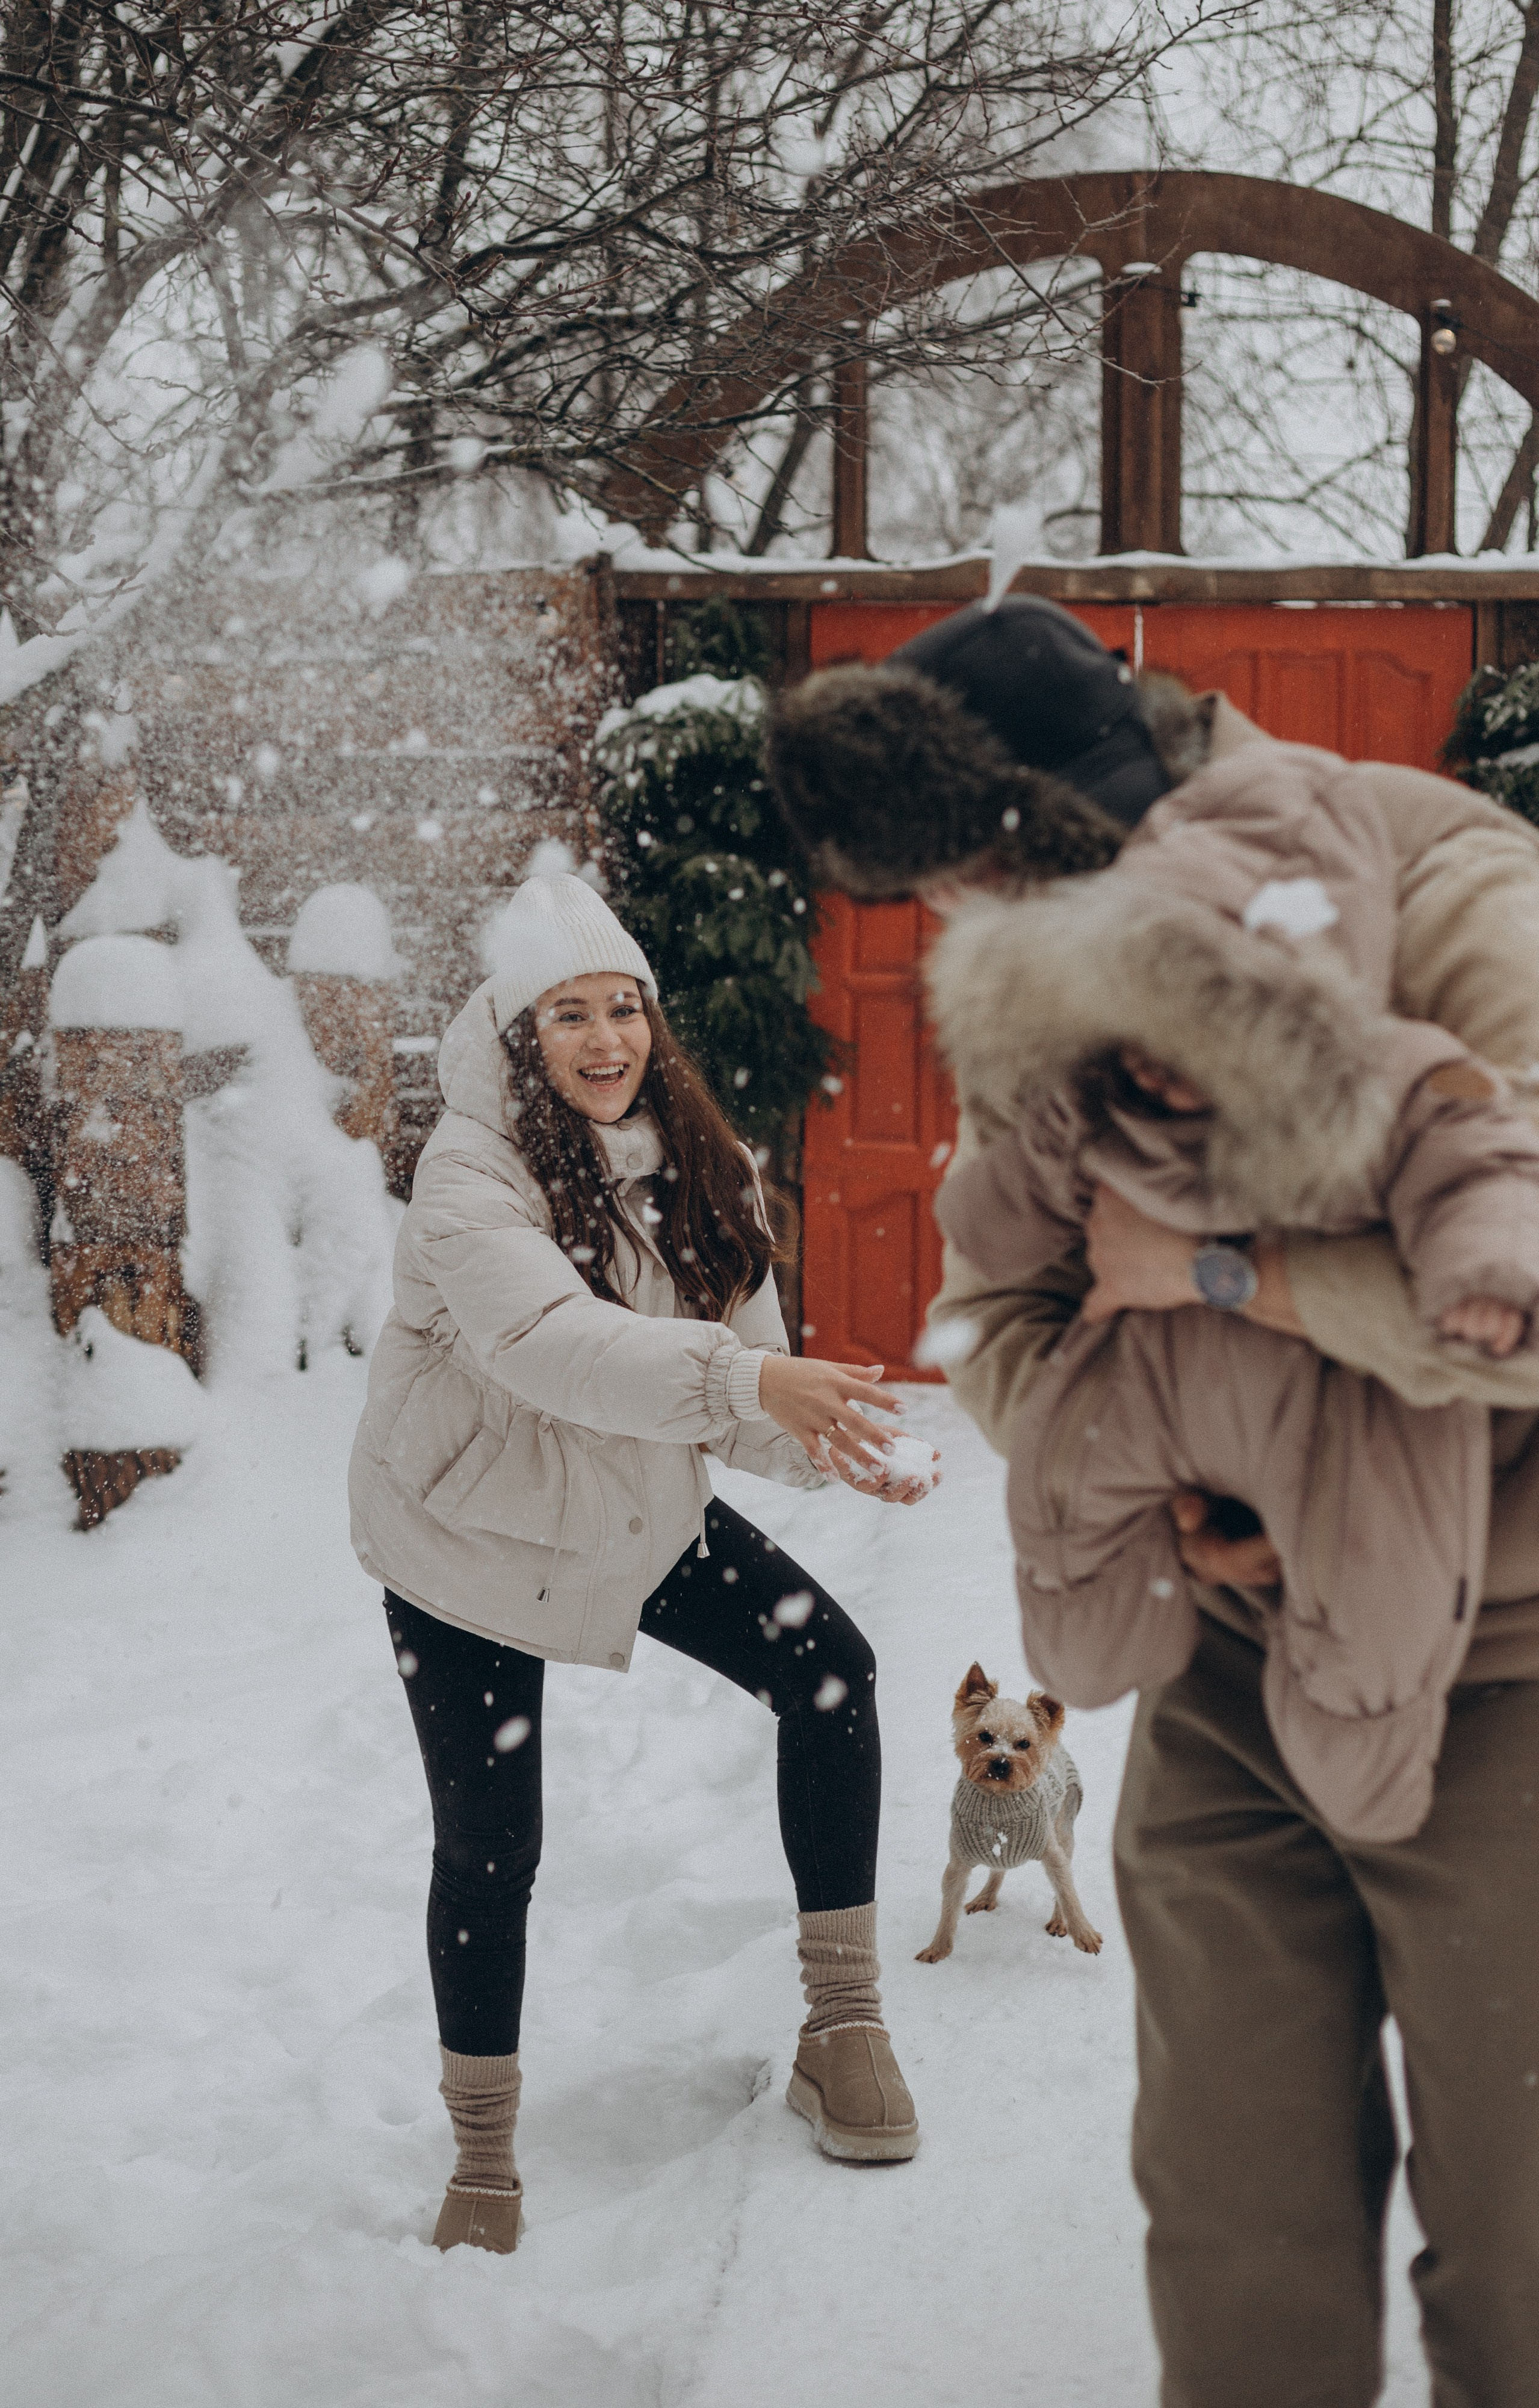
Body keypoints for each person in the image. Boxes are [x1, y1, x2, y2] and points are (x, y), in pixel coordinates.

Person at [766, 598, 1539, 2405]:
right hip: (1221, 1685)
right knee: (1230, 2245)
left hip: (1504, 1685)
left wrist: (1220, 1282)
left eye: (981, 881)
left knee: (1519, 2266)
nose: (969, 932)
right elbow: (986, 1311)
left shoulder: (1455, 896)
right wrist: (1156, 1447)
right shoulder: (1053, 966)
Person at [348, 874, 929, 2256]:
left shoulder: (701, 1160)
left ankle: (841, 2024)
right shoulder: (468, 1176)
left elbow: (740, 1379)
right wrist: (754, 1375)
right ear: (514, 1038)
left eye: (624, 1007)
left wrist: (827, 1443)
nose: (604, 1037)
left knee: (830, 1670)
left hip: (626, 1505)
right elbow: (549, 1346)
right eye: (567, 1013)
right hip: (467, 1534)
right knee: (493, 1844)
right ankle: (483, 2158)